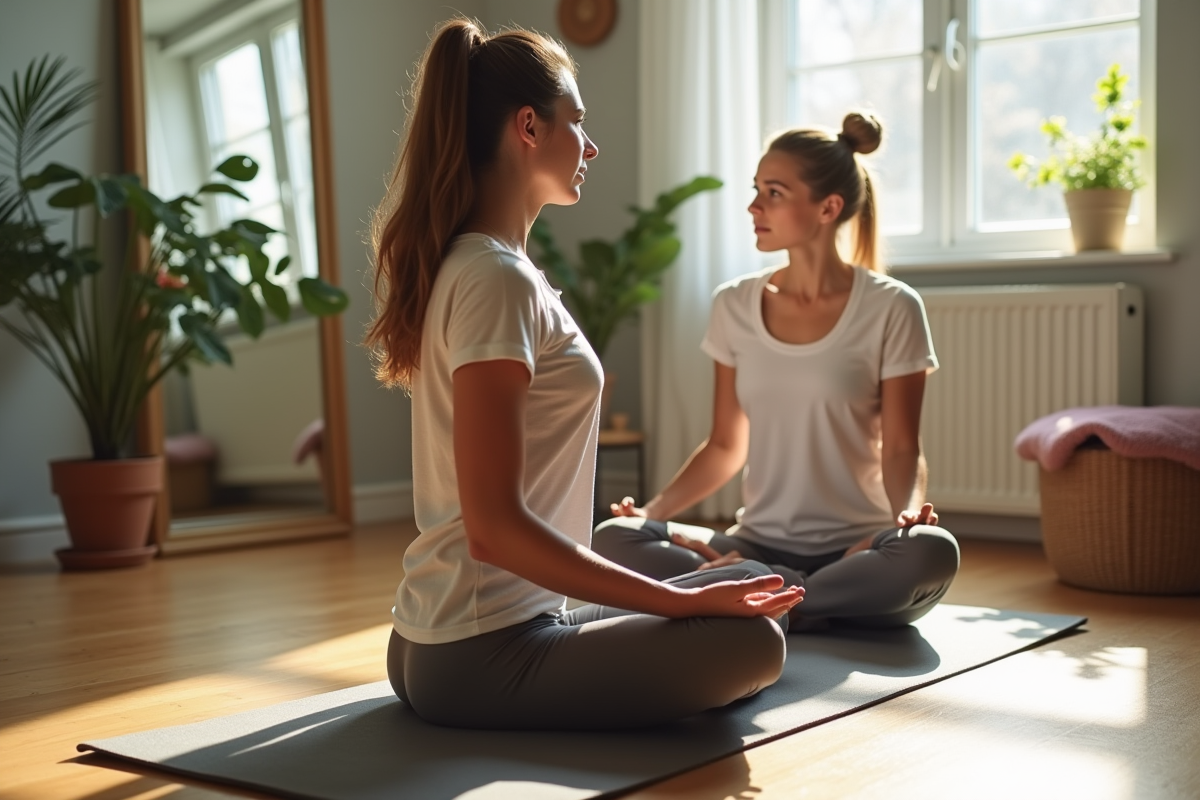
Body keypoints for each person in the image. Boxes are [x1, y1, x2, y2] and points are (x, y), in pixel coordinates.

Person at [365, 19, 804, 731]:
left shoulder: (486, 269)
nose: (590, 145)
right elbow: (495, 531)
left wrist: (688, 596)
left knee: (753, 583)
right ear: (529, 128)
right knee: (751, 639)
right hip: (483, 652)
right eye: (578, 120)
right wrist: (681, 604)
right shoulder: (494, 280)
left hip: (434, 639)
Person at [595, 113, 960, 632]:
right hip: (753, 541)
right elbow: (725, 444)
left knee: (930, 552)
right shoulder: (734, 305)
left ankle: (754, 592)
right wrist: (649, 513)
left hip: (855, 549)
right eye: (755, 190)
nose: (753, 206)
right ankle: (796, 597)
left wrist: (898, 521)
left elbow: (901, 448)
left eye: (773, 192)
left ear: (827, 208)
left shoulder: (892, 307)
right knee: (614, 536)